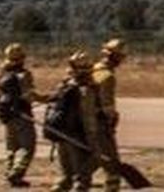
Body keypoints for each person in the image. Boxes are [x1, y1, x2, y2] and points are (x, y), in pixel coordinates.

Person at [0, 44, 47, 188]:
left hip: (7, 116)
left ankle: (8, 173)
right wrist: (48, 98)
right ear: (22, 58)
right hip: (22, 116)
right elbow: (29, 96)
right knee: (27, 147)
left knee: (12, 147)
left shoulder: (3, 73)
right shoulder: (24, 75)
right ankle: (16, 173)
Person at [43, 53, 100, 192]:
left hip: (61, 134)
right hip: (77, 137)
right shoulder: (86, 91)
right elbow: (88, 118)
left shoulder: (64, 86)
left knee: (65, 175)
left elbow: (50, 100)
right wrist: (93, 141)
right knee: (82, 177)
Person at [85, 41, 125, 192]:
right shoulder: (107, 76)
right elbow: (107, 106)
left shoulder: (92, 70)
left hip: (87, 122)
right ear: (115, 57)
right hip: (99, 124)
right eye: (120, 57)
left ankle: (71, 181)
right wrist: (112, 119)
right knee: (112, 165)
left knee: (94, 159)